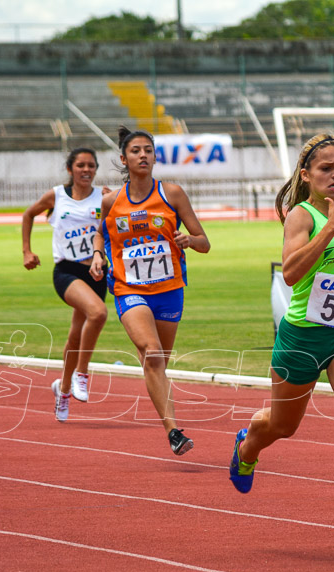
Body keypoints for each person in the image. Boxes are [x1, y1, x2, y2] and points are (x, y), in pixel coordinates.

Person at [228, 132, 334, 543]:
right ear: (306, 175)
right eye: (326, 168)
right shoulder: (301, 217)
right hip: (302, 336)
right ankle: (248, 447)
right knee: (283, 427)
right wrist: (331, 225)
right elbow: (291, 272)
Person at [89, 127, 211, 455]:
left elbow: (205, 243)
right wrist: (98, 254)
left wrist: (189, 240)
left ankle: (164, 412)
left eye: (148, 150)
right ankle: (173, 431)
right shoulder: (111, 201)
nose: (143, 155)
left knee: (157, 363)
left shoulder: (172, 194)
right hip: (129, 289)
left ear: (155, 157)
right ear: (123, 159)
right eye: (136, 151)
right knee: (152, 353)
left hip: (170, 290)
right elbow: (100, 232)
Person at [23, 148, 110, 422]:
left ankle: (62, 390)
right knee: (98, 314)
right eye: (81, 165)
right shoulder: (56, 196)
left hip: (96, 272)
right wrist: (27, 251)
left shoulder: (105, 196)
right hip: (67, 271)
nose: (87, 170)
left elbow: (119, 224)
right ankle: (81, 375)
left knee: (75, 336)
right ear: (70, 169)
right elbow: (28, 215)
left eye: (91, 166)